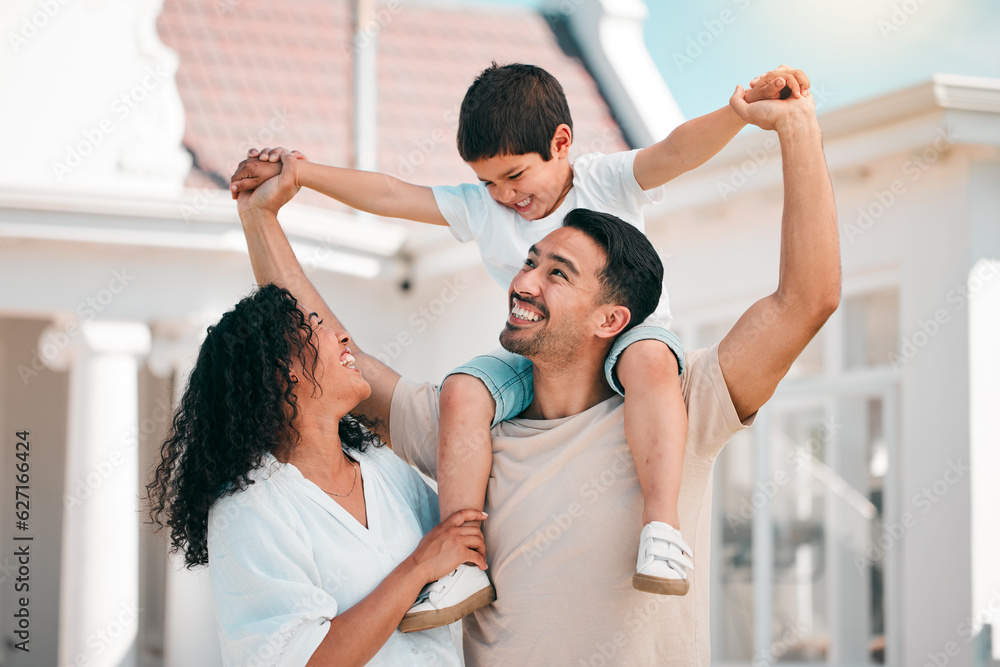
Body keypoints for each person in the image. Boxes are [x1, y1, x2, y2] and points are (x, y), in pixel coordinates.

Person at [233, 74, 840, 664]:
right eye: (529, 260)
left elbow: (805, 301)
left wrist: (794, 126)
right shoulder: (467, 426)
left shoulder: (682, 408)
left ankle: (662, 531)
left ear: (611, 318)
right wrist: (262, 217)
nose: (523, 281)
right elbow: (324, 349)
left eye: (558, 272)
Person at [145, 283, 488, 666]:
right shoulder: (249, 508)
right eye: (315, 327)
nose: (341, 335)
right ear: (282, 371)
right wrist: (418, 567)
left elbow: (458, 547)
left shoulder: (380, 466)